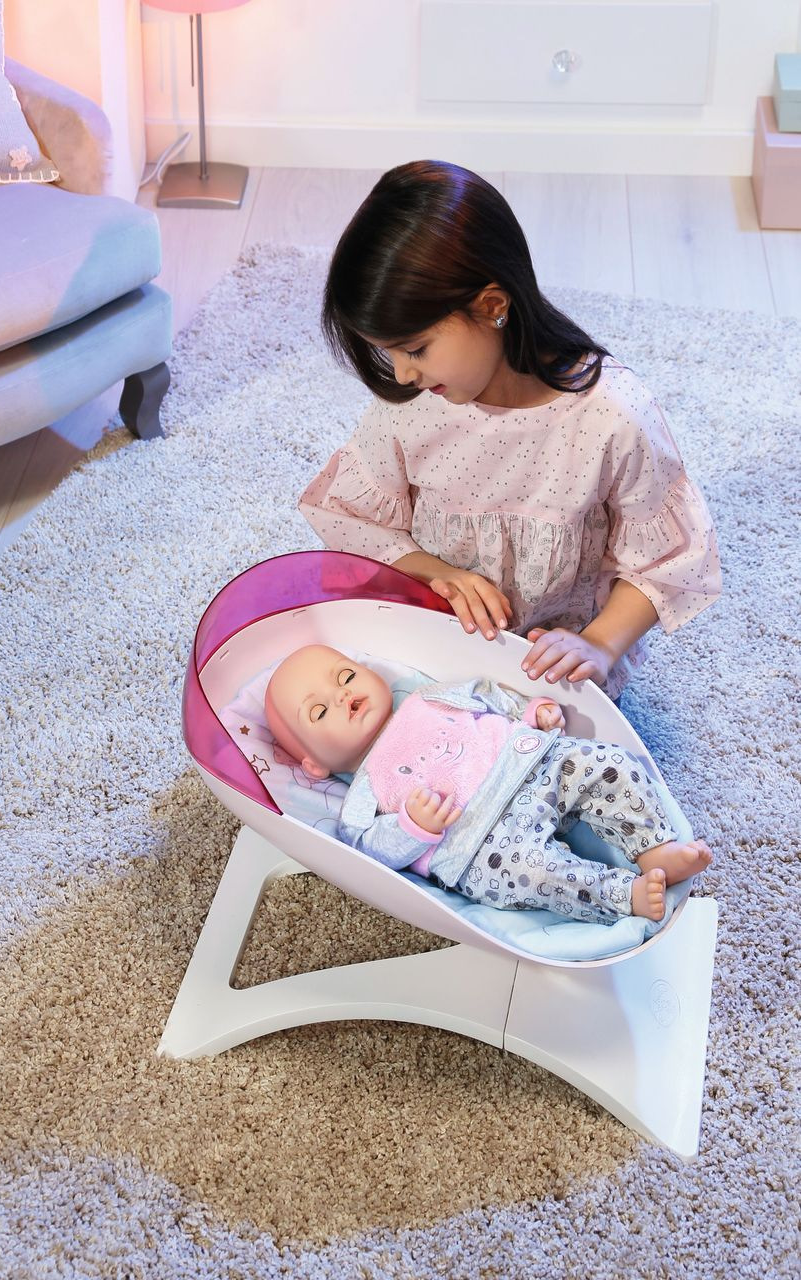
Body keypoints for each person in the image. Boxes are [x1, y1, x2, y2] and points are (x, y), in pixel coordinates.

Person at [299, 161, 721, 702]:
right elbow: (354, 523)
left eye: (416, 349)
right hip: (437, 640)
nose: (402, 375)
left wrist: (598, 646)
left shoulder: (611, 416)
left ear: (492, 307)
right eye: (390, 353)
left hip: (551, 664)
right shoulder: (413, 407)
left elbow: (667, 561)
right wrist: (436, 574)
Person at [264, 645, 713, 926]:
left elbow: (488, 696)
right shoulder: (363, 790)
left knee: (607, 763)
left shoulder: (427, 697)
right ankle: (621, 895)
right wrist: (411, 827)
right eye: (319, 711)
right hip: (482, 845)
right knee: (537, 875)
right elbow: (366, 850)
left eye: (345, 676)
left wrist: (531, 711)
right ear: (314, 765)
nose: (341, 695)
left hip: (534, 764)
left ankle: (653, 847)